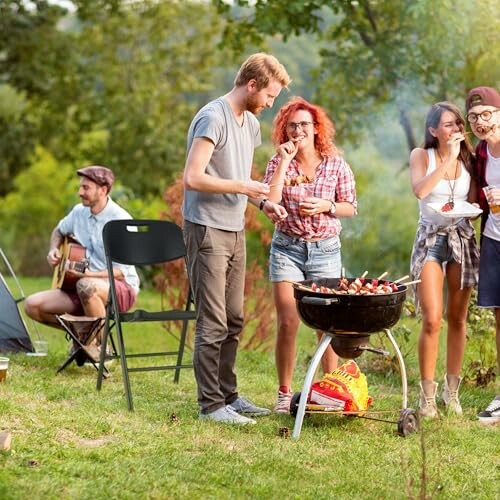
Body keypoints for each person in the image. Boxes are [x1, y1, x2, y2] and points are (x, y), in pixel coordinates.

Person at [182, 53, 291, 425]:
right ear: (252, 85)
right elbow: (193, 177)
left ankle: (229, 396)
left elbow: (237, 177)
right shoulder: (213, 117)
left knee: (234, 318)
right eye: (270, 96)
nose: (270, 104)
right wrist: (244, 186)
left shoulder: (250, 124)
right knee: (212, 320)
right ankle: (211, 406)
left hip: (234, 227)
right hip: (206, 227)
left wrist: (261, 203)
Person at [263, 96, 357, 413]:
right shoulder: (278, 162)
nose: (298, 130)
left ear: (316, 128)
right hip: (287, 247)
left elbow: (350, 207)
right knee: (288, 321)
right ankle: (284, 393)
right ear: (284, 129)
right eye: (292, 125)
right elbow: (270, 201)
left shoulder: (335, 164)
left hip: (325, 249)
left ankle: (328, 390)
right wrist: (285, 162)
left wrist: (326, 206)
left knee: (326, 325)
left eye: (304, 124)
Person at [24, 166, 140, 362]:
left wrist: (86, 276)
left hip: (119, 288)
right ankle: (84, 338)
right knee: (32, 306)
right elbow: (59, 231)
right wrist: (53, 249)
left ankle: (103, 350)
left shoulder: (121, 220)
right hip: (79, 285)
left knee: (86, 286)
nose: (80, 192)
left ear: (103, 190)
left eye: (86, 188)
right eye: (80, 187)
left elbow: (120, 271)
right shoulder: (78, 212)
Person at [409, 102, 479, 418]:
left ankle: (452, 394)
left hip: (462, 237)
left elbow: (475, 201)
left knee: (458, 317)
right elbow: (421, 191)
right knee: (432, 317)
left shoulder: (470, 158)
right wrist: (448, 157)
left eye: (457, 124)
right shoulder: (421, 156)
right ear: (433, 130)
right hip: (431, 240)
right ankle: (427, 397)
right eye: (447, 125)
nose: (454, 130)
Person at [466, 86, 500, 425]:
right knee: (499, 320)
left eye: (486, 114)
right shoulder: (481, 152)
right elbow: (480, 198)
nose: (480, 121)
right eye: (473, 117)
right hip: (493, 240)